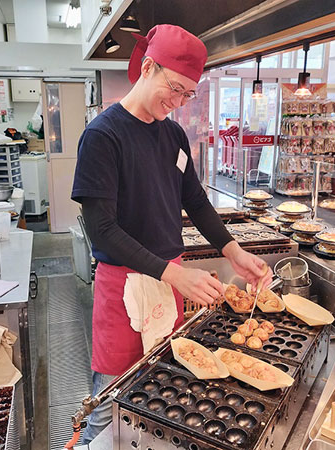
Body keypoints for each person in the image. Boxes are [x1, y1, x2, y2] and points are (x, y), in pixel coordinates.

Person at [71, 24, 273, 444]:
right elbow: (102, 231)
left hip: (167, 281)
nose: (179, 102)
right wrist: (176, 275)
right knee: (109, 400)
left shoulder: (174, 135)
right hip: (123, 287)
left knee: (161, 391)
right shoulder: (102, 136)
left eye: (188, 95)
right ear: (148, 67)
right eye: (175, 88)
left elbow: (195, 201)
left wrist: (233, 252)